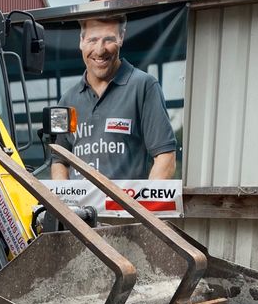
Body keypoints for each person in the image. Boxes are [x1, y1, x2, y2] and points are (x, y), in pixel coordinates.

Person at [51, 17, 177, 181]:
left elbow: (166, 157)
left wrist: (140, 206)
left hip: (126, 206)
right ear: (81, 41)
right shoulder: (65, 101)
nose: (99, 50)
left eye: (108, 39)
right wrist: (65, 204)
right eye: (92, 40)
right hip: (78, 207)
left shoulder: (145, 86)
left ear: (121, 37)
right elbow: (58, 160)